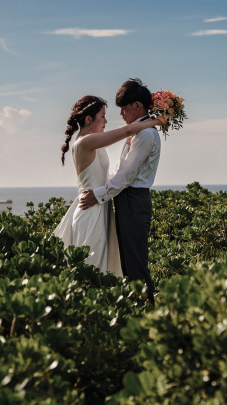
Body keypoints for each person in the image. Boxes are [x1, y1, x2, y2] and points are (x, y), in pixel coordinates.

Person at [53, 94, 158, 274]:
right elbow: (126, 131)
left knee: (100, 267)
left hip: (99, 205)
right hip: (91, 211)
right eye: (102, 116)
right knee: (92, 266)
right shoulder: (85, 142)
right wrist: (156, 121)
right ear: (88, 119)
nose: (106, 121)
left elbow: (106, 174)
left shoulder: (93, 143)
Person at [79, 79, 160, 305]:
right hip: (126, 200)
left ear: (137, 105)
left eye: (124, 108)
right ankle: (137, 309)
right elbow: (121, 171)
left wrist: (99, 194)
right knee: (127, 263)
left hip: (134, 201)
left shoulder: (145, 135)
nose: (122, 113)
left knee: (135, 264)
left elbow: (127, 175)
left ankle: (148, 312)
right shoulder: (137, 132)